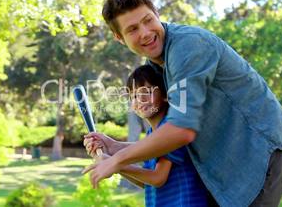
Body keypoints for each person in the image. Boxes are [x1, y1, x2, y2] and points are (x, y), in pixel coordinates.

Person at [83, 0, 282, 207]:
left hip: (257, 152)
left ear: (157, 13)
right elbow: (166, 140)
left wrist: (118, 161)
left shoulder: (187, 46)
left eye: (148, 20)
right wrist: (114, 147)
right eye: (132, 29)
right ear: (118, 37)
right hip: (223, 164)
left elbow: (180, 130)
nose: (145, 33)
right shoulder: (159, 65)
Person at [87, 65, 208, 206]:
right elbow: (148, 182)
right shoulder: (153, 134)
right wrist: (113, 161)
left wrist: (115, 164)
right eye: (134, 96)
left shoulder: (170, 129)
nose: (141, 99)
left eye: (148, 91)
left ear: (164, 95)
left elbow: (158, 178)